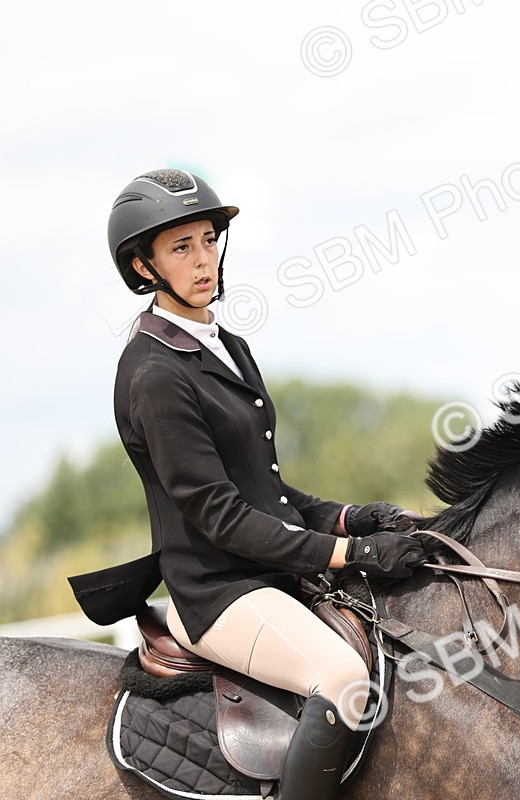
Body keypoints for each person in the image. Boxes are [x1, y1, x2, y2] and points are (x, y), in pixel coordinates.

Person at [68, 168, 427, 800]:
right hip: (219, 589)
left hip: (269, 573)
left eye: (208, 240)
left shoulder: (226, 344)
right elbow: (222, 517)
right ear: (144, 267)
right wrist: (353, 556)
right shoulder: (153, 372)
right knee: (344, 677)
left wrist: (350, 520)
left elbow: (271, 494)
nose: (204, 260)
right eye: (181, 248)